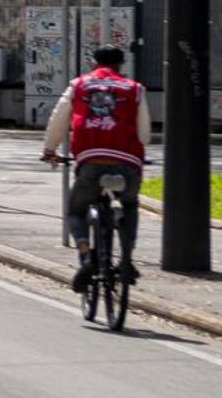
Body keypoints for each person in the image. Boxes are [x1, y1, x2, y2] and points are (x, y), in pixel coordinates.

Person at [41, 46, 148, 291]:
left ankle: (86, 254)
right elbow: (144, 134)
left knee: (76, 211)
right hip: (127, 163)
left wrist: (50, 150)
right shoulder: (135, 89)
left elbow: (59, 118)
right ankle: (127, 259)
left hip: (91, 162)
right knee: (130, 206)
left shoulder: (78, 85)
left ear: (93, 62)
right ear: (122, 64)